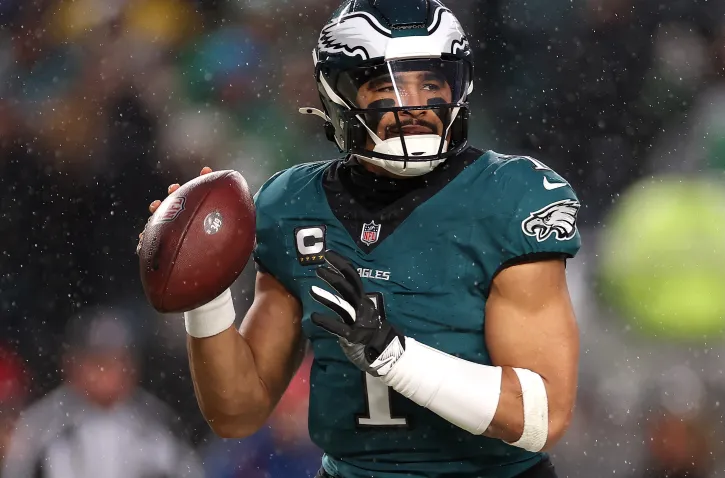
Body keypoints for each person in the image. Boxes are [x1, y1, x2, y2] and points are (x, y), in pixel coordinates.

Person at [142, 1, 582, 476]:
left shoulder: (509, 196)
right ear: (341, 94)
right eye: (387, 87)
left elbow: (542, 415)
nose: (414, 106)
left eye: (430, 84)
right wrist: (204, 291)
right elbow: (238, 411)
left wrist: (397, 358)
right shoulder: (293, 203)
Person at [1, 307, 203, 478]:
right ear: (72, 365)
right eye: (97, 362)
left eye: (117, 361)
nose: (107, 373)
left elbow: (189, 471)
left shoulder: (157, 421)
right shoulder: (42, 424)